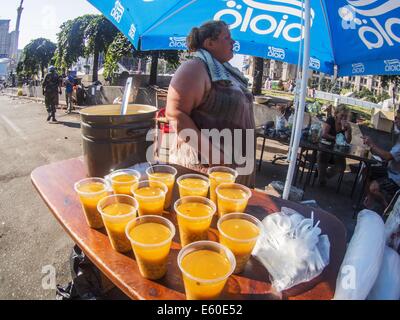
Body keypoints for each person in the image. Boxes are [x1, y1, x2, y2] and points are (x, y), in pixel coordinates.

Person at [166, 20, 256, 187]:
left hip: (234, 167)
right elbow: (175, 114)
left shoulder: (225, 71)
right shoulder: (194, 68)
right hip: (205, 170)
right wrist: (215, 155)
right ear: (210, 43)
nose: (233, 42)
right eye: (227, 37)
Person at [363, 113, 400, 212]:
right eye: (396, 118)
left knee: (373, 188)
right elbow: (389, 157)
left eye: (398, 119)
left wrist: (372, 144)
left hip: (396, 179)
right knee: (366, 170)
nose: (395, 121)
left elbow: (388, 156)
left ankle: (387, 206)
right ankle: (370, 202)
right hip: (390, 170)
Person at [317, 104, 352, 186]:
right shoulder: (331, 120)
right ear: (336, 114)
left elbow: (348, 141)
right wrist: (335, 139)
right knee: (322, 155)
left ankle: (324, 175)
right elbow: (324, 134)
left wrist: (348, 130)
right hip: (326, 145)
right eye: (342, 115)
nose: (343, 118)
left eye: (345, 116)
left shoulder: (347, 125)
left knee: (341, 166)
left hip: (338, 150)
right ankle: (321, 179)